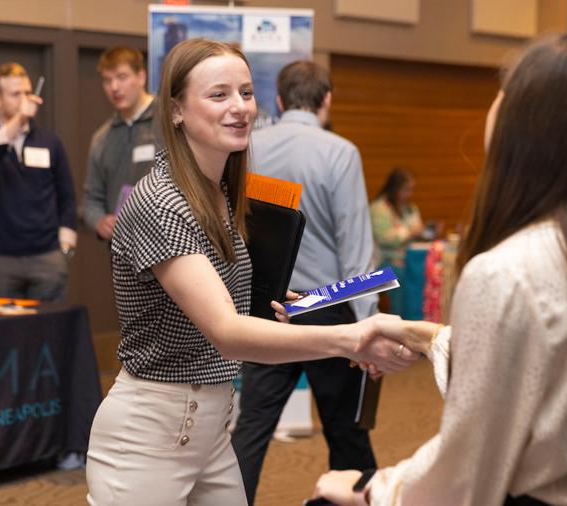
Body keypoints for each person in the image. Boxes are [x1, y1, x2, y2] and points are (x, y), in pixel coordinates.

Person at [311, 33, 567, 505]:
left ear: (527, 124)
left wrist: (371, 490)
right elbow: (544, 375)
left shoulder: (506, 271)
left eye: (504, 94)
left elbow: (468, 469)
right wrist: (419, 335)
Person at [84, 38, 418, 506]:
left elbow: (236, 306)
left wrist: (286, 309)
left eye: (245, 92)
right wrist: (353, 337)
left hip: (213, 429)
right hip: (149, 435)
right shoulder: (159, 200)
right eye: (219, 95)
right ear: (176, 110)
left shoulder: (224, 196)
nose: (240, 107)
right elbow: (227, 331)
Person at [231, 60, 379, 506]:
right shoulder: (340, 151)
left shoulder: (251, 145)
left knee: (252, 427)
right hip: (328, 306)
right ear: (326, 99)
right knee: (345, 431)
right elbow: (356, 248)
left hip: (269, 306)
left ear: (277, 100)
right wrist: (368, 328)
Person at [0, 62, 78, 302]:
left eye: (27, 92)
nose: (24, 100)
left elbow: (67, 195)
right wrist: (18, 121)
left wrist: (65, 248)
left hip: (47, 258)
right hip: (0, 261)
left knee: (50, 334)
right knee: (4, 335)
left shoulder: (49, 141)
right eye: (15, 94)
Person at [83, 45, 164, 242]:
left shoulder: (169, 120)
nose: (114, 87)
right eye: (107, 80)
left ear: (141, 77)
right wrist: (99, 221)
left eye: (122, 77)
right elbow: (91, 200)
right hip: (122, 250)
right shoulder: (102, 138)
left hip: (167, 241)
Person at [369, 167, 431, 315]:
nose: (409, 194)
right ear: (394, 188)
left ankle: (416, 319)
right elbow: (384, 238)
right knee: (401, 276)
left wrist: (425, 232)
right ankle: (400, 320)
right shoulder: (379, 208)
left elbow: (416, 231)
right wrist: (410, 231)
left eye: (412, 189)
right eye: (406, 189)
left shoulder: (410, 208)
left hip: (409, 259)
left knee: (427, 274)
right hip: (384, 262)